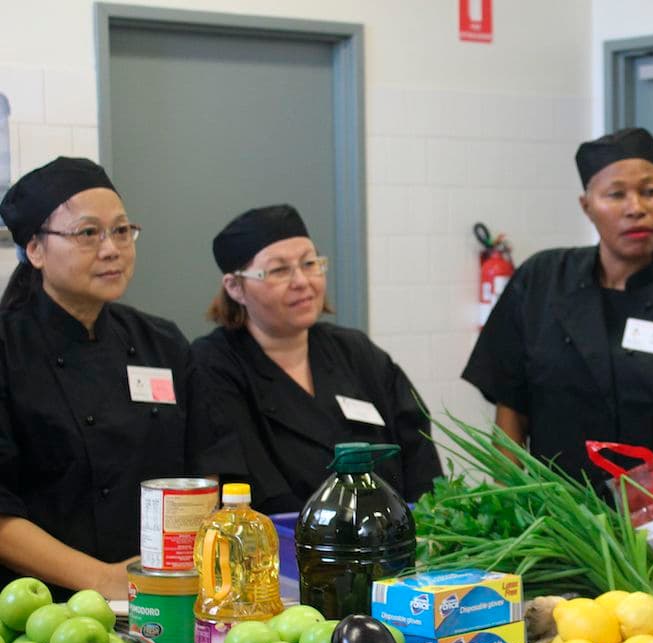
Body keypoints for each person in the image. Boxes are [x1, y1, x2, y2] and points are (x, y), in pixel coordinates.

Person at [462, 128, 653, 520]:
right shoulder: (540, 282)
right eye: (616, 194)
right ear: (587, 205)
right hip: (555, 525)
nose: (636, 207)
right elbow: (511, 410)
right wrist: (512, 506)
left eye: (650, 191)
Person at [0, 157, 205, 600]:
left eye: (121, 230)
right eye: (88, 233)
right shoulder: (7, 347)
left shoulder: (162, 342)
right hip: (40, 608)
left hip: (161, 595)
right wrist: (103, 579)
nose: (112, 248)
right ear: (35, 249)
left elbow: (205, 469)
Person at [191, 204, 441, 514]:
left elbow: (420, 459)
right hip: (285, 550)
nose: (302, 281)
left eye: (310, 263)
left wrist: (430, 524)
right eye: (279, 270)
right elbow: (249, 485)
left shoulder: (357, 352)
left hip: (393, 543)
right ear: (235, 287)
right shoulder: (214, 365)